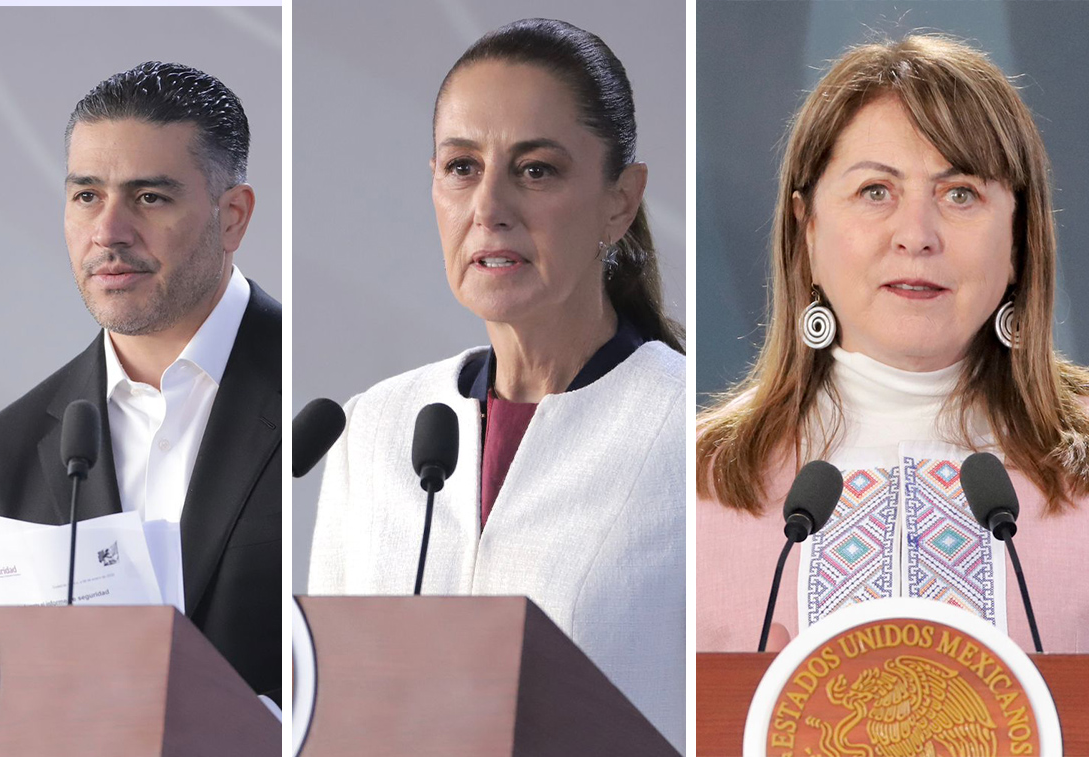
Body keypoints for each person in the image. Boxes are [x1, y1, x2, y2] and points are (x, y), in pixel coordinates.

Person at [307, 18, 686, 751]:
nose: (489, 208)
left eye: (536, 169)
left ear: (621, 199)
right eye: (462, 168)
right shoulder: (373, 427)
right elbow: (330, 703)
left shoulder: (690, 435)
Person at [697, 35, 1089, 656]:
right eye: (875, 191)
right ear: (807, 230)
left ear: (1019, 240)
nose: (916, 235)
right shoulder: (693, 487)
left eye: (961, 193)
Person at [0, 62, 281, 703]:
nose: (108, 232)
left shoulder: (329, 404)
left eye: (150, 197)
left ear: (232, 217)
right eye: (86, 195)